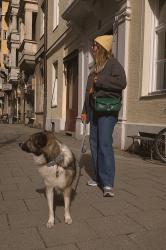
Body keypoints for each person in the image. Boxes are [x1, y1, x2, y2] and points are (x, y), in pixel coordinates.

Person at [81, 35, 127, 197]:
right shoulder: (94, 68)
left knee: (105, 144)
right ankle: (97, 176)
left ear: (102, 48)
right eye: (92, 45)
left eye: (95, 46)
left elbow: (122, 82)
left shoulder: (113, 64)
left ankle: (107, 183)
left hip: (107, 110)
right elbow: (88, 93)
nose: (92, 49)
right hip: (93, 110)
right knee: (94, 144)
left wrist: (100, 81)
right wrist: (84, 111)